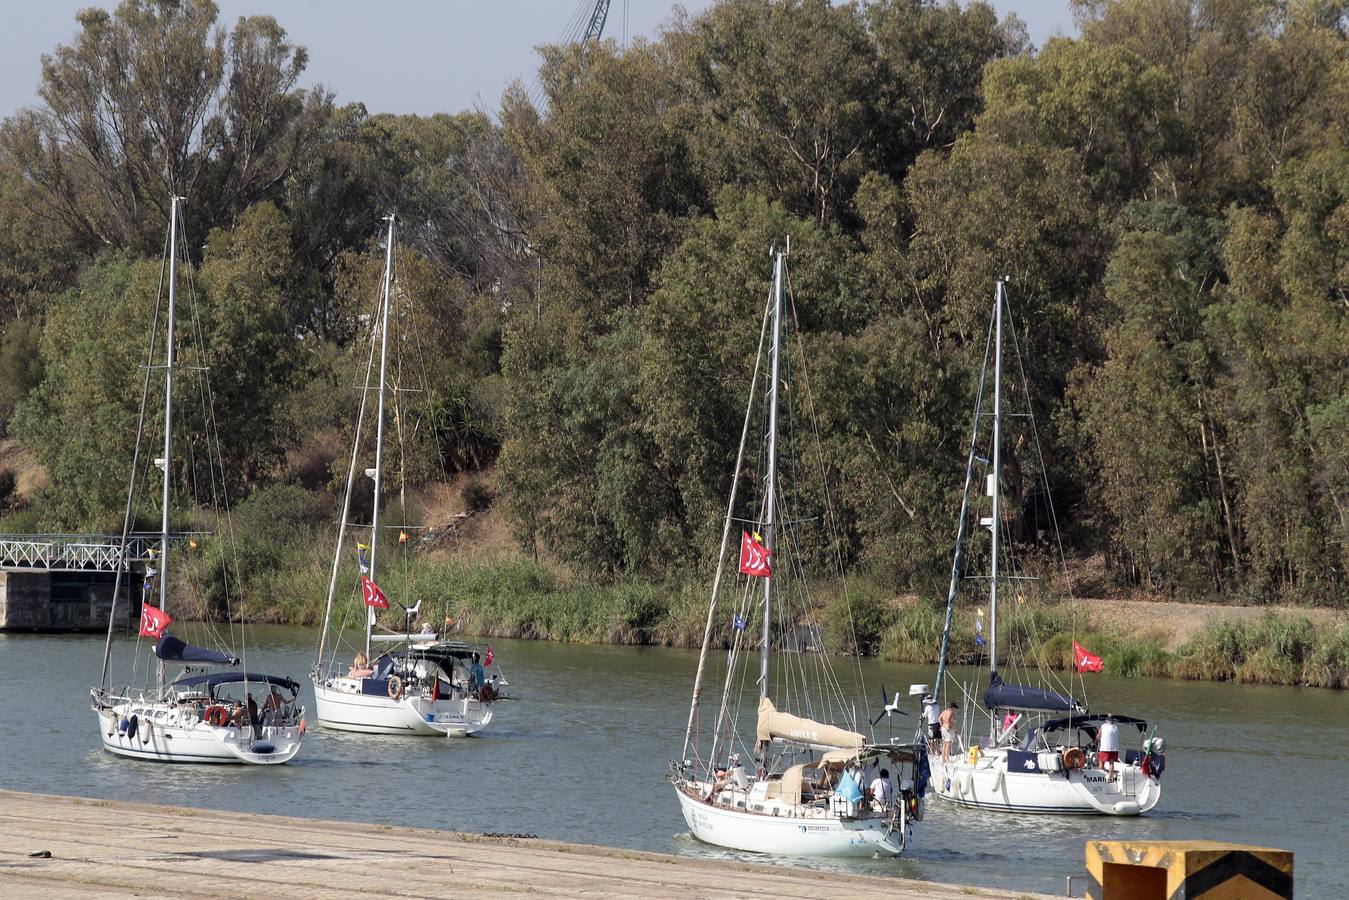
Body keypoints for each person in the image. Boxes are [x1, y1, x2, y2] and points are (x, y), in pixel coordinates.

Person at [1099, 715, 1120, 779]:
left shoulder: (1103, 726)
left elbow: (1098, 736)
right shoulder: (1116, 727)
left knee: (1101, 762)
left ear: (1106, 721)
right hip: (1114, 748)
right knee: (1111, 763)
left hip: (1104, 748)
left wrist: (1096, 739)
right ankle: (1110, 778)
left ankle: (1100, 776)